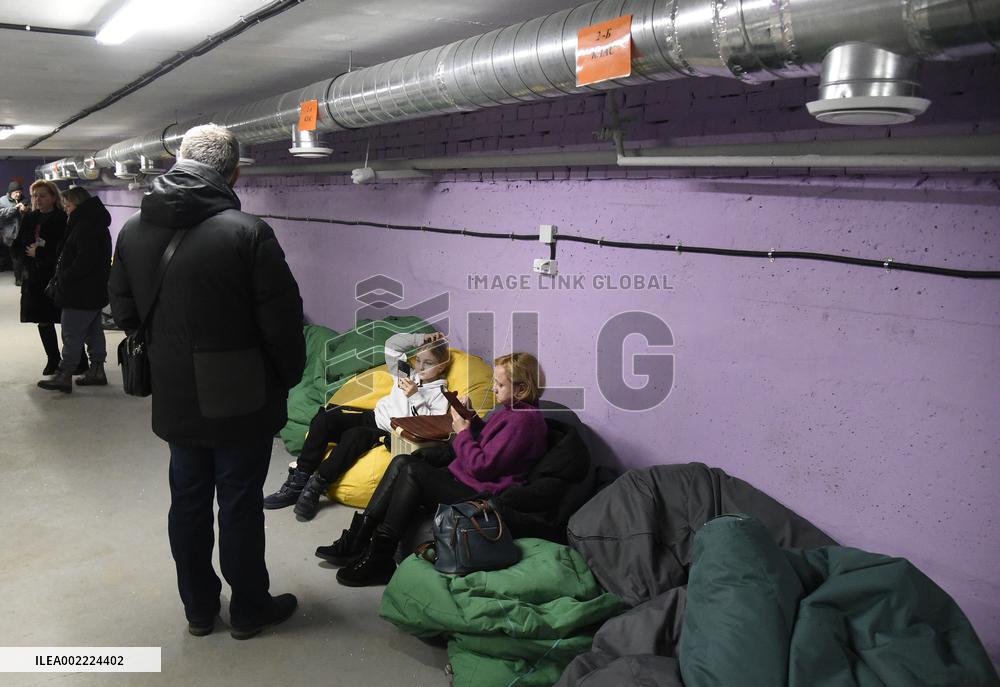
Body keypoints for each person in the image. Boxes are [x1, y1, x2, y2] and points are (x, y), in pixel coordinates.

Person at [108, 124, 306, 640]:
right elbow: (281, 323)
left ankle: (199, 609)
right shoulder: (247, 231)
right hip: (239, 393)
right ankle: (248, 609)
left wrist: (169, 351)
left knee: (188, 500)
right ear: (233, 171)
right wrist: (285, 379)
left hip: (174, 391)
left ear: (177, 160)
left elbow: (125, 309)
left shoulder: (132, 230)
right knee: (238, 501)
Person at [326, 352, 549, 587]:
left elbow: (483, 467)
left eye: (499, 384)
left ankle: (380, 557)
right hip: (467, 479)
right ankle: (358, 538)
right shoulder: (511, 410)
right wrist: (471, 418)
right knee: (403, 461)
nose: (493, 389)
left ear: (522, 389)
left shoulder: (524, 421)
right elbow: (489, 441)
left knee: (413, 472)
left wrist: (462, 433)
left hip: (483, 495)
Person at [264, 331, 451, 521]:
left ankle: (316, 485)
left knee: (354, 436)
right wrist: (421, 339)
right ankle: (299, 480)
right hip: (375, 416)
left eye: (428, 363)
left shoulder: (441, 394)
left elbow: (429, 426)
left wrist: (415, 395)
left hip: (389, 432)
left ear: (442, 366)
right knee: (325, 418)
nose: (420, 367)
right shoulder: (407, 373)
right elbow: (392, 344)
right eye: (418, 360)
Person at [37, 187, 112, 393]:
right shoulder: (94, 223)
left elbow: (83, 261)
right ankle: (97, 371)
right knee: (93, 331)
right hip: (93, 291)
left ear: (77, 204)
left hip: (79, 292)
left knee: (71, 332)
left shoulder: (85, 226)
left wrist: (63, 277)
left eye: (68, 205)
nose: (66, 209)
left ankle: (64, 374)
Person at [12, 180, 73, 375]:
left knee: (67, 319)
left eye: (42, 196)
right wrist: (25, 254)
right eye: (35, 196)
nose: (37, 199)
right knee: (42, 319)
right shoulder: (29, 218)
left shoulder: (62, 218)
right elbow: (19, 243)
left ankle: (77, 359)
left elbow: (64, 249)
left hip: (56, 275)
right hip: (34, 277)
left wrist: (40, 253)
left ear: (54, 197)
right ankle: (53, 358)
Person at [0, 181, 27, 280]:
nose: (18, 194)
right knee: (15, 257)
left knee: (23, 256)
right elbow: (1, 214)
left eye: (20, 192)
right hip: (9, 235)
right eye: (16, 192)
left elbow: (30, 212)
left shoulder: (24, 199)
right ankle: (18, 279)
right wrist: (14, 208)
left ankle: (23, 277)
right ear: (10, 192)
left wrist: (25, 210)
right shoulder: (2, 200)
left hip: (23, 233)